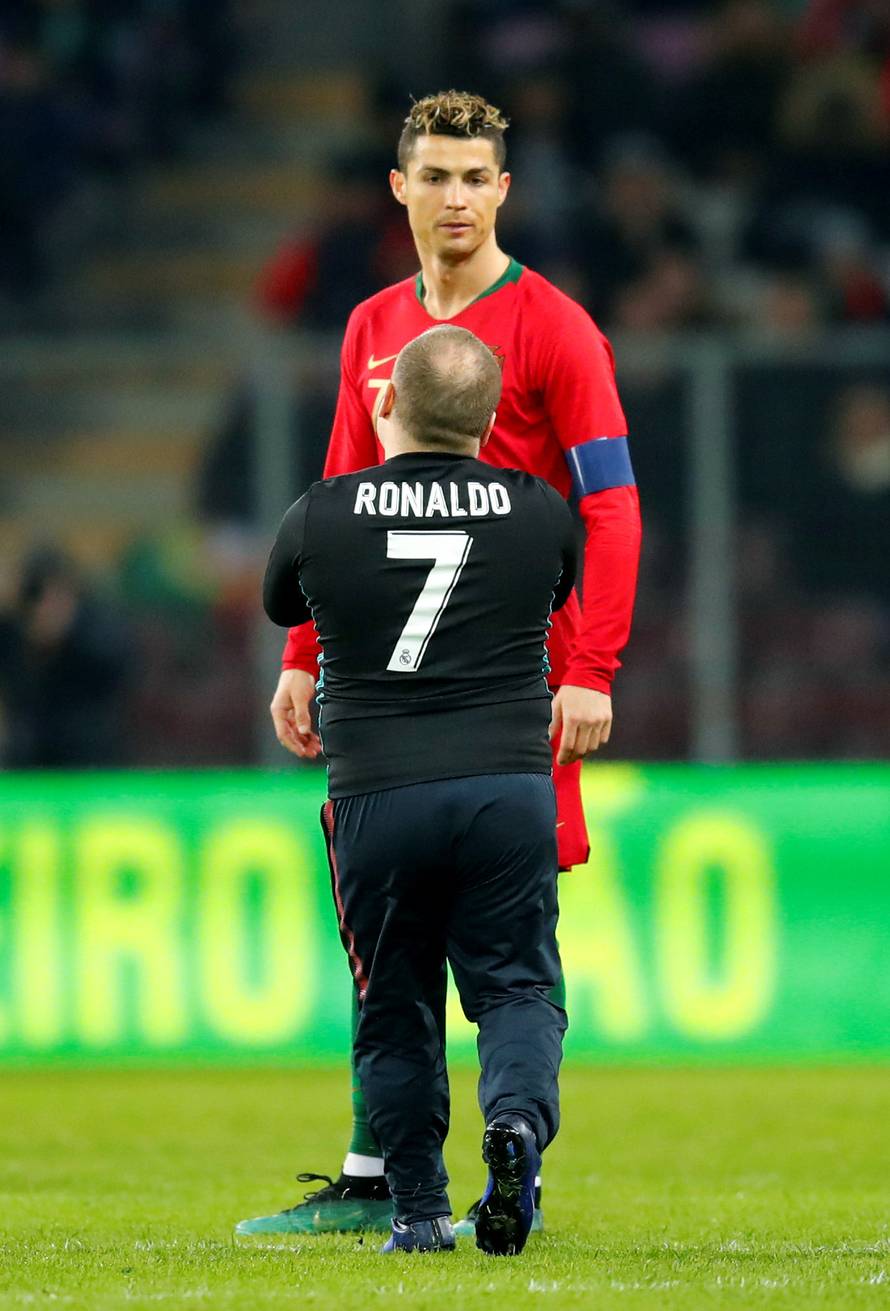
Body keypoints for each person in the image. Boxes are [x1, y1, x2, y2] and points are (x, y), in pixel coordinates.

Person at [238, 88, 641, 1239]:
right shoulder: (371, 326)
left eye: (476, 178)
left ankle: (400, 1181)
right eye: (437, 177)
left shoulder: (556, 329)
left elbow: (611, 507)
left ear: (502, 192)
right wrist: (303, 651)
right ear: (400, 189)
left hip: (510, 682)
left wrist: (593, 665)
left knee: (453, 939)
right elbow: (337, 483)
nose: (456, 197)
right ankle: (389, 1173)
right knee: (405, 943)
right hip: (382, 685)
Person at [262, 325, 574, 1254]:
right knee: (517, 988)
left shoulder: (320, 513)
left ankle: (420, 1211)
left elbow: (285, 603)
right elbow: (561, 592)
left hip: (378, 794)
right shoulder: (542, 510)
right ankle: (515, 1128)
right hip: (508, 789)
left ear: (384, 402)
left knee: (395, 1007)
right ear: (490, 419)